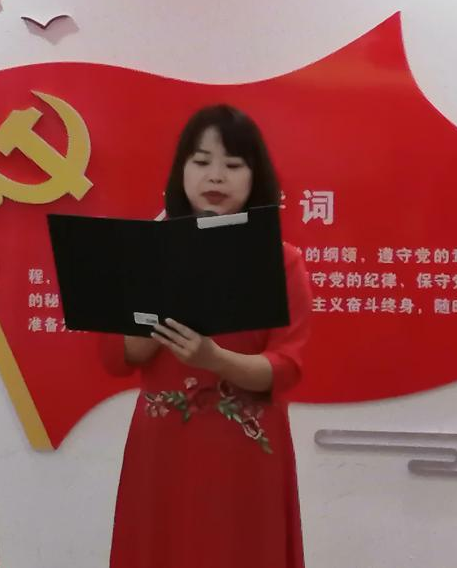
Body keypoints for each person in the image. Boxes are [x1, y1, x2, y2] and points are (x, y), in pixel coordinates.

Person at [101, 104, 313, 568]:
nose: (215, 175)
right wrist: (165, 295)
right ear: (181, 172)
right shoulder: (145, 254)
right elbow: (117, 358)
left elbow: (286, 367)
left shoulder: (282, 261)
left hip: (244, 451)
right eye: (200, 161)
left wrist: (214, 359)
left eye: (233, 164)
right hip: (164, 449)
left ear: (255, 177)